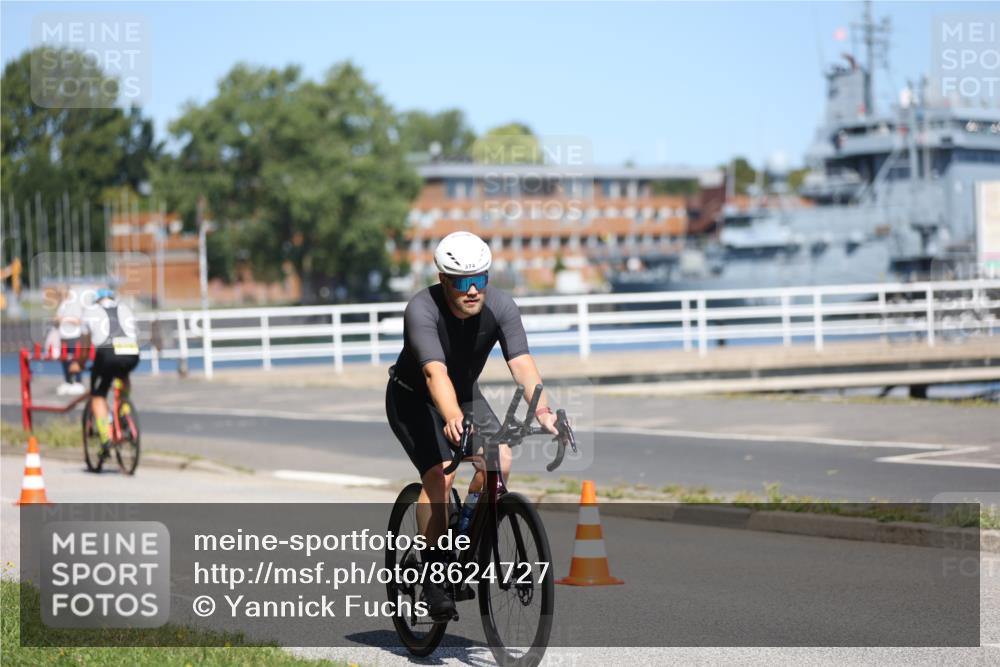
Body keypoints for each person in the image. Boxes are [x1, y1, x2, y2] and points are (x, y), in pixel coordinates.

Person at [385, 231, 557, 620]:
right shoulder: (421, 309)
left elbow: (522, 364)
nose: (473, 290)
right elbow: (433, 372)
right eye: (463, 282)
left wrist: (544, 412)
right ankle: (432, 570)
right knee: (441, 476)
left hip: (464, 396)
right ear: (444, 280)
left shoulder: (501, 306)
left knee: (501, 460)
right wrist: (450, 417)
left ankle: (468, 536)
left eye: (480, 279)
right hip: (413, 396)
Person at [82, 288, 140, 456]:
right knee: (123, 374)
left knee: (98, 395)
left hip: (107, 353)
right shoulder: (125, 308)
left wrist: (79, 363)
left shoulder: (91, 311)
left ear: (97, 301)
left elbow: (86, 344)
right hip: (131, 352)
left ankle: (106, 439)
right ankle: (124, 411)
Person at [52, 287, 86, 396]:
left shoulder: (74, 305)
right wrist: (58, 320)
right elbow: (56, 320)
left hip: (74, 337)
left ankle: (78, 381)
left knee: (75, 359)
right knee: (64, 360)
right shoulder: (62, 306)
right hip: (63, 337)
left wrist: (64, 319)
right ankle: (68, 381)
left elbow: (78, 320)